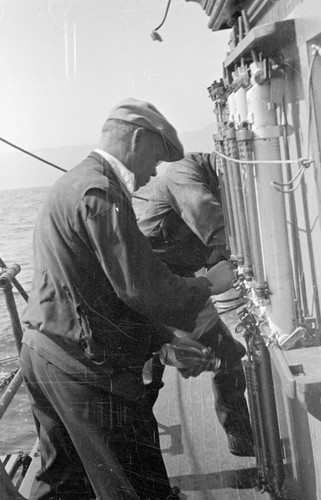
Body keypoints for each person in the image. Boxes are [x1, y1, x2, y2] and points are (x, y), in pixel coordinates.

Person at [20, 99, 236, 500]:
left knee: (64, 484)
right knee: (138, 485)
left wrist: (163, 342)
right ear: (138, 138)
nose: (154, 172)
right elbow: (141, 288)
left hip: (42, 355)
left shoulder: (74, 182)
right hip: (83, 367)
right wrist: (208, 283)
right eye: (155, 158)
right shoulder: (101, 192)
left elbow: (99, 289)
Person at [134, 152, 254, 457]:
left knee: (227, 356)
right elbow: (206, 213)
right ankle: (134, 456)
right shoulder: (181, 171)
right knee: (144, 378)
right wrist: (243, 252)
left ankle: (240, 438)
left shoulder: (213, 180)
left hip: (183, 284)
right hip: (155, 286)